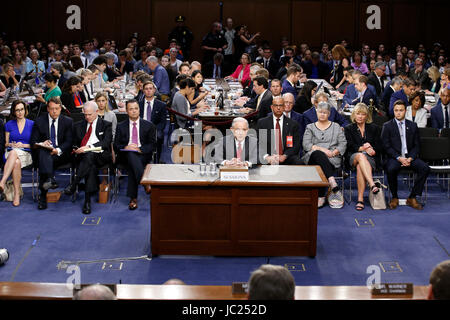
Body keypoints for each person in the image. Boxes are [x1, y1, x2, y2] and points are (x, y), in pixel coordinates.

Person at [64, 101, 113, 215]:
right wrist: (77, 148)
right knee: (89, 162)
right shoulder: (78, 125)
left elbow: (106, 143)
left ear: (96, 112)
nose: (87, 117)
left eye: (89, 114)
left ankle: (75, 183)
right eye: (85, 114)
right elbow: (74, 143)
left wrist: (89, 147)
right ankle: (87, 201)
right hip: (83, 157)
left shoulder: (106, 125)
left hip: (101, 156)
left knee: (89, 156)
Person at [381, 100, 430, 210]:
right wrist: (399, 158)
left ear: (405, 111)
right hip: (395, 157)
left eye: (401, 110)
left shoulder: (413, 125)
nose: (398, 113)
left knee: (425, 168)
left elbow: (417, 145)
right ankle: (394, 197)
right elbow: (386, 146)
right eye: (396, 110)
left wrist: (410, 158)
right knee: (391, 168)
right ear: (393, 111)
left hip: (410, 157)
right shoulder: (387, 126)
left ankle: (412, 197)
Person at [31, 97, 73, 210]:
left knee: (44, 158)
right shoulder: (39, 121)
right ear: (48, 109)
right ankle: (49, 179)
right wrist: (42, 143)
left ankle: (43, 195)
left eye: (57, 108)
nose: (54, 111)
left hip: (61, 155)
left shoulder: (68, 121)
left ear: (60, 108)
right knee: (44, 153)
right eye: (52, 109)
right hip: (45, 153)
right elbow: (33, 142)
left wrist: (57, 150)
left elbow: (69, 142)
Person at [302, 102, 347, 208]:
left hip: (332, 159)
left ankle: (321, 196)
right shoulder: (310, 127)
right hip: (312, 158)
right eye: (320, 112)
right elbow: (306, 145)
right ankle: (332, 181)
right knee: (318, 154)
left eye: (325, 113)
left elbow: (343, 144)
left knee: (321, 165)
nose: (322, 114)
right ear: (316, 112)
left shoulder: (336, 127)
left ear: (329, 114)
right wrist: (323, 150)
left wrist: (333, 152)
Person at [114, 99, 156, 210]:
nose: (134, 111)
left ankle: (133, 198)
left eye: (136, 109)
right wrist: (125, 147)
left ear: (139, 110)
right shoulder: (120, 126)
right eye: (131, 109)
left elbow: (152, 145)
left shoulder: (148, 125)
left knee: (133, 164)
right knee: (131, 155)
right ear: (126, 111)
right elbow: (116, 145)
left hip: (142, 155)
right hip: (125, 155)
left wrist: (140, 149)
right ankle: (145, 182)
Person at [344, 103, 382, 211]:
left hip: (370, 158)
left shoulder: (374, 128)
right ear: (354, 115)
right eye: (358, 114)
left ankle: (360, 199)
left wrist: (373, 149)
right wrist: (363, 148)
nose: (360, 116)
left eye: (363, 114)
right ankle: (372, 184)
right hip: (353, 156)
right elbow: (349, 145)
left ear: (367, 116)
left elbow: (380, 145)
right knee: (360, 156)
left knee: (360, 167)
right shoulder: (349, 128)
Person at [0, 100, 34, 207]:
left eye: (22, 109)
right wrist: (12, 144)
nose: (20, 112)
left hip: (26, 154)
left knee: (16, 160)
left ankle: (2, 181)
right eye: (17, 110)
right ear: (14, 112)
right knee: (16, 162)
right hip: (10, 153)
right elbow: (6, 143)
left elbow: (34, 144)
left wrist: (23, 145)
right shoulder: (9, 124)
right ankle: (16, 195)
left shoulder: (32, 124)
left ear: (25, 110)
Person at [256, 96, 303, 166]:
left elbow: (296, 144)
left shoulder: (292, 124)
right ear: (272, 107)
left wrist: (284, 156)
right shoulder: (263, 123)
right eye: (276, 105)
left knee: (299, 162)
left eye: (280, 105)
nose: (278, 108)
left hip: (286, 157)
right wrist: (267, 157)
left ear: (284, 107)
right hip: (268, 157)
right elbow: (259, 143)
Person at [139, 81, 167, 162]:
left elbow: (162, 123)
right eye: (146, 89)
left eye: (150, 88)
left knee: (158, 136)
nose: (148, 90)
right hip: (140, 128)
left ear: (154, 90)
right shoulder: (138, 104)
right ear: (143, 91)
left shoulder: (161, 105)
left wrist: (153, 130)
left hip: (155, 129)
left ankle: (156, 160)